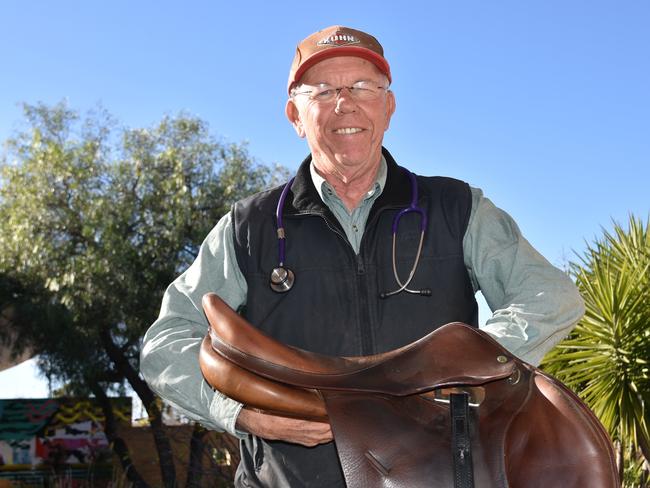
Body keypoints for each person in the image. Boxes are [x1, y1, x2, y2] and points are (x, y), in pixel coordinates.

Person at [140, 25, 584, 487]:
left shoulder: (457, 208)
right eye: (324, 90)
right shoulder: (247, 227)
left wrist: (460, 372)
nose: (344, 103)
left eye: (362, 87)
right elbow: (166, 340)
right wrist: (243, 414)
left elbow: (551, 297)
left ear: (388, 107)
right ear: (295, 115)